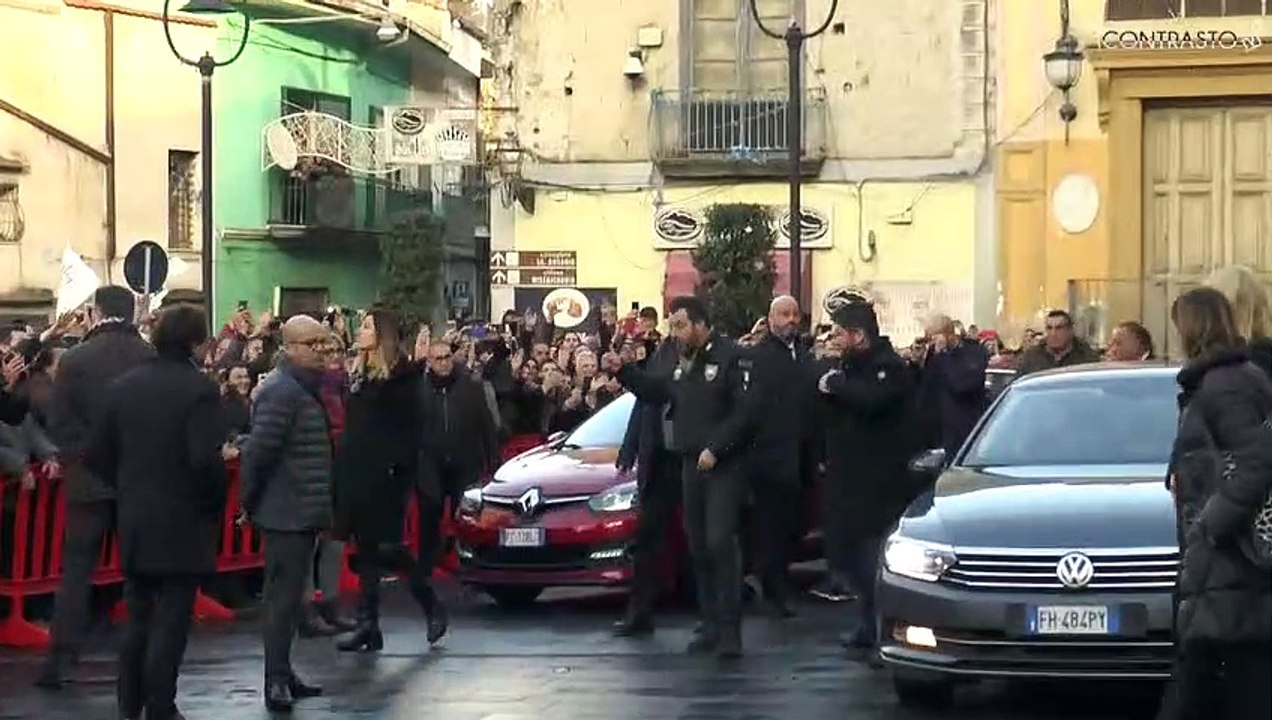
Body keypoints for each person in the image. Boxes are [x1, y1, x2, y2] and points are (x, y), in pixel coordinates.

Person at [88, 305, 227, 720]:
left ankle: (128, 704)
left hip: (135, 517)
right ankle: (161, 705)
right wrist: (212, 503)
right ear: (195, 341)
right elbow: (204, 460)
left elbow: (97, 455)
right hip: (182, 519)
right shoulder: (199, 390)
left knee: (138, 617)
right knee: (172, 620)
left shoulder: (122, 387)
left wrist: (130, 485)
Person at [607, 295, 759, 658]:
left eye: (680, 325)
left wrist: (717, 448)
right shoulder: (683, 361)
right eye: (672, 326)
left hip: (723, 464)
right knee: (699, 545)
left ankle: (729, 631)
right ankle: (708, 624)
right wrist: (624, 371)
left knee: (721, 541)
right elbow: (658, 392)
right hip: (689, 461)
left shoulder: (731, 357)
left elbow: (747, 413)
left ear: (700, 324)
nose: (674, 333)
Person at [38, 285, 155, 689]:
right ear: (131, 312)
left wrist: (81, 454)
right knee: (140, 570)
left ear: (97, 312)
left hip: (87, 476)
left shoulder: (74, 359)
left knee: (76, 571)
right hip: (138, 476)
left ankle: (60, 659)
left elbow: (58, 421)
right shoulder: (149, 357)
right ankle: (143, 657)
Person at [1166, 287, 1272, 720]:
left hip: (1231, 559)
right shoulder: (1228, 378)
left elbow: (1257, 460)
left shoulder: (1224, 384)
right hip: (1227, 564)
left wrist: (1211, 524)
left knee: (1204, 683)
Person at [335, 308, 448, 652]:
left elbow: (409, 433)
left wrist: (396, 471)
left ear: (382, 334)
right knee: (366, 551)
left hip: (385, 476)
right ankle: (368, 624)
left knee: (389, 549)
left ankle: (431, 605)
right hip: (355, 472)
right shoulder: (359, 376)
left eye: (367, 326)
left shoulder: (402, 379)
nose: (360, 331)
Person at [816, 301, 921, 655]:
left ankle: (883, 630)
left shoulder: (887, 367)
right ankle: (865, 621)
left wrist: (837, 387)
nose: (832, 339)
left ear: (858, 335)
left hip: (878, 478)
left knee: (873, 556)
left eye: (839, 332)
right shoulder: (846, 367)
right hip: (846, 474)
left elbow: (872, 402)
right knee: (850, 555)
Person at [240, 315, 332, 712]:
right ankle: (275, 678)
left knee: (292, 598)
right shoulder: (282, 392)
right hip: (284, 512)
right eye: (314, 344)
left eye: (326, 344)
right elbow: (260, 453)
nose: (323, 351)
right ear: (290, 347)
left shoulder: (302, 389)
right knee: (280, 599)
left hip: (302, 509)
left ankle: (285, 671)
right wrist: (250, 502)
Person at [743, 295, 812, 618]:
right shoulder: (759, 357)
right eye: (784, 314)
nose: (791, 320)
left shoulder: (803, 355)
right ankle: (774, 586)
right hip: (769, 458)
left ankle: (777, 580)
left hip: (800, 456)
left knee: (790, 525)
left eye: (795, 314)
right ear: (771, 319)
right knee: (771, 527)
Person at [611, 333, 681, 637]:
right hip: (660, 463)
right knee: (647, 542)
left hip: (693, 460)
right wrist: (629, 450)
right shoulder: (661, 360)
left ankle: (716, 617)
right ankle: (640, 614)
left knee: (708, 540)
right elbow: (644, 404)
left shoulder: (707, 364)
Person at [416, 338, 500, 580]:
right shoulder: (420, 389)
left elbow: (486, 424)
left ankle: (467, 562)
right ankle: (426, 564)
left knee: (464, 513)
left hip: (465, 459)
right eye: (438, 358)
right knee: (429, 510)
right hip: (429, 460)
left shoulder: (470, 386)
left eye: (447, 357)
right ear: (429, 362)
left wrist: (493, 459)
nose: (444, 363)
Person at [914, 314, 989, 456]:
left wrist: (943, 354)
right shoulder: (935, 356)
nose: (932, 343)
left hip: (966, 430)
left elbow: (960, 384)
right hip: (940, 434)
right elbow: (925, 390)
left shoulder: (973, 352)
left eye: (933, 338)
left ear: (947, 334)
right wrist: (916, 363)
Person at [1015, 308, 1100, 376]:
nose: (1053, 333)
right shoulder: (1032, 357)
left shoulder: (1087, 358)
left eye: (1059, 328)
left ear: (1070, 330)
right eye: (1049, 328)